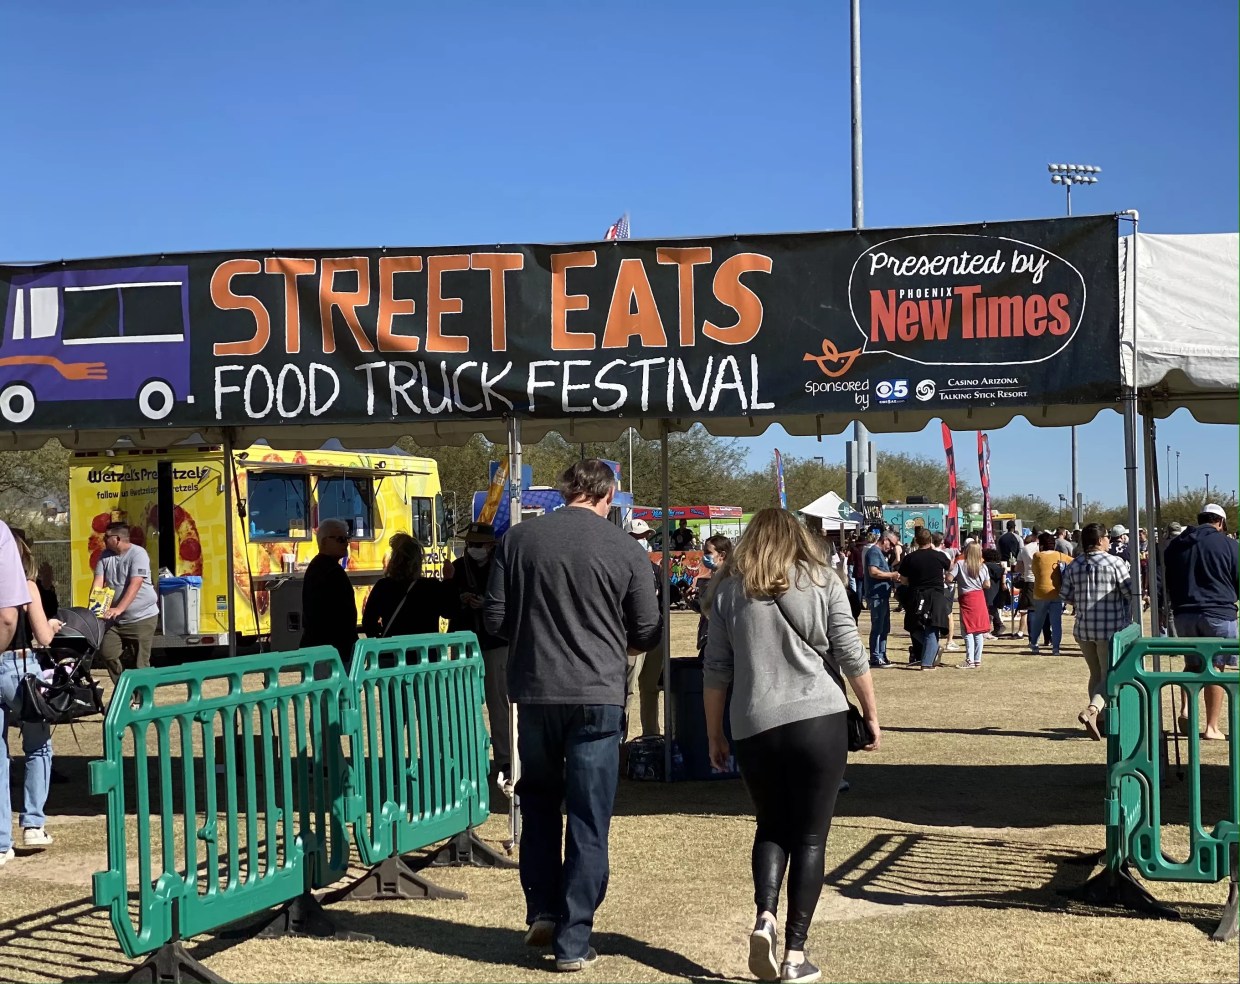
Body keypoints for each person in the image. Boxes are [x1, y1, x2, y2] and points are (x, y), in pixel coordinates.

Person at [483, 459, 660, 971]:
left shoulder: (518, 542)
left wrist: (537, 639)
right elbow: (647, 629)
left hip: (535, 692)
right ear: (609, 495)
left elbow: (493, 618)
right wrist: (607, 643)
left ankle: (541, 907)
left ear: (565, 492)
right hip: (597, 694)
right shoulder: (627, 549)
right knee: (588, 816)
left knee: (538, 802)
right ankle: (573, 938)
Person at [703, 509, 879, 984]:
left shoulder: (727, 591)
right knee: (810, 837)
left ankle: (765, 916)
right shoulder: (822, 578)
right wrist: (872, 713)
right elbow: (849, 650)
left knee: (770, 826)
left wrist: (714, 732)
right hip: (817, 718)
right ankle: (796, 954)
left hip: (752, 722)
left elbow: (716, 668)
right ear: (800, 538)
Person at [1, 522, 61, 863]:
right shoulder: (26, 587)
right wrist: (52, 625)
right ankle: (33, 822)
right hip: (20, 667)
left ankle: (1, 842)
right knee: (38, 746)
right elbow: (44, 636)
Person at [1163, 503, 1238, 741]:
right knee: (1215, 668)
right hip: (1218, 612)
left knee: (1193, 664)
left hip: (1184, 613)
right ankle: (1212, 727)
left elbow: (1167, 577)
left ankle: (1186, 709)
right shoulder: (1228, 545)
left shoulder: (1175, 546)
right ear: (1221, 522)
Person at [1059, 523, 1133, 740]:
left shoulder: (1075, 564)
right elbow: (1129, 592)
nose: (1109, 540)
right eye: (1107, 537)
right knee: (1110, 675)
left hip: (1083, 628)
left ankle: (1098, 720)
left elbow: (1065, 595)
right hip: (1109, 628)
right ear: (1101, 540)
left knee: (1095, 673)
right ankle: (1093, 710)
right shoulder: (1115, 562)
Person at [448, 523, 510, 775]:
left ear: (490, 545)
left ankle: (505, 759)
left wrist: (487, 605)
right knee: (464, 704)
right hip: (464, 641)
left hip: (496, 642)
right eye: (469, 544)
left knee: (499, 703)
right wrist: (460, 598)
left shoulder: (502, 567)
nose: (472, 549)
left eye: (477, 545)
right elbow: (446, 603)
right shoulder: (458, 567)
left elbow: (511, 601)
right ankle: (469, 757)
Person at [93, 522, 160, 685]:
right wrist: (95, 608)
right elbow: (98, 582)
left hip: (142, 617)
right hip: (115, 621)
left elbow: (135, 583)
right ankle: (125, 690)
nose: (103, 539)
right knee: (107, 653)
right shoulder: (105, 556)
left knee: (140, 663)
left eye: (106, 537)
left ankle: (142, 701)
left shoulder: (139, 554)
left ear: (116, 539)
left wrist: (119, 608)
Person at [623, 518, 665, 739]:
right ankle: (618, 741)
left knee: (651, 688)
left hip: (655, 635)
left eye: (645, 537)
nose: (643, 541)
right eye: (637, 537)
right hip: (630, 639)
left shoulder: (654, 569)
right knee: (625, 691)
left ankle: (651, 736)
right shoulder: (618, 566)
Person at [301, 519, 358, 665]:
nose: (346, 543)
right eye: (340, 539)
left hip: (320, 648)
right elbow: (341, 616)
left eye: (347, 538)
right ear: (325, 541)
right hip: (334, 651)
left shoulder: (318, 567)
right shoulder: (330, 571)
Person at [899, 527, 951, 670]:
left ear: (916, 541)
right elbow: (950, 567)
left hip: (917, 595)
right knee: (931, 628)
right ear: (930, 540)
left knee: (913, 626)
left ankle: (927, 663)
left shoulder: (910, 558)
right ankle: (932, 649)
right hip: (935, 595)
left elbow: (903, 580)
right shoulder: (939, 556)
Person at [1028, 532, 1074, 656]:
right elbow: (1074, 562)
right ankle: (1056, 648)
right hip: (1056, 592)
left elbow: (1034, 571)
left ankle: (1034, 644)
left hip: (1040, 592)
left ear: (1041, 545)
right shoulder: (1060, 555)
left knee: (1039, 619)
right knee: (1056, 622)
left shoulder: (1037, 556)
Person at [951, 542, 991, 668]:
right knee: (978, 630)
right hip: (979, 597)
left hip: (967, 598)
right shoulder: (983, 567)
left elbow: (949, 578)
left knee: (967, 630)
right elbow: (987, 585)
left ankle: (970, 660)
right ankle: (977, 659)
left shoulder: (960, 564)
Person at [863, 532, 900, 668]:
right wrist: (891, 575)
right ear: (885, 540)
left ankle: (882, 654)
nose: (891, 548)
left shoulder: (881, 554)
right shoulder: (874, 552)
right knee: (878, 627)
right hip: (876, 596)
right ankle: (875, 657)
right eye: (891, 544)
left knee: (884, 628)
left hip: (882, 596)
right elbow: (873, 571)